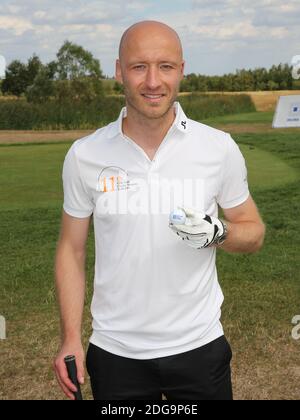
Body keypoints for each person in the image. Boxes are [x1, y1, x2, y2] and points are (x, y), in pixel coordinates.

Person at [54, 20, 265, 401]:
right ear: (119, 71)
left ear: (181, 71)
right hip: (116, 352)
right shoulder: (84, 155)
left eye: (165, 66)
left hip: (200, 347)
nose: (153, 81)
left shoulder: (217, 147)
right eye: (139, 67)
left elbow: (253, 231)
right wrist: (70, 336)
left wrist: (220, 233)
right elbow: (71, 248)